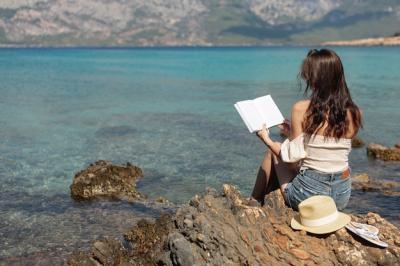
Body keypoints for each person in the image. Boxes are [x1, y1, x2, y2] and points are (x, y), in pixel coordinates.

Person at [251, 48, 362, 210]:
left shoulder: (302, 109)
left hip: (308, 195)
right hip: (340, 196)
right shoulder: (355, 112)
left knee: (273, 153)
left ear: (314, 78)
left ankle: (253, 200)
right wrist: (293, 133)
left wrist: (265, 138)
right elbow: (325, 148)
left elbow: (291, 159)